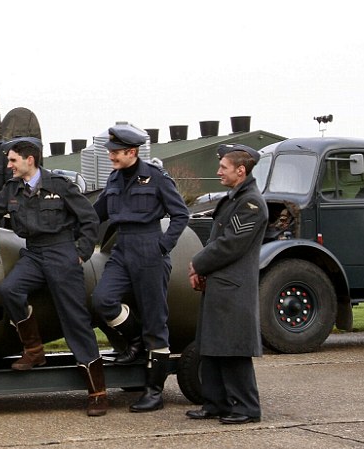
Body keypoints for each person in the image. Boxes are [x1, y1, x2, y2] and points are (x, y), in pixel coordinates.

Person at [0, 138, 106, 416]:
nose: (9, 165)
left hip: (61, 253)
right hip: (33, 253)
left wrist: (80, 253)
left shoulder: (59, 185)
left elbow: (90, 219)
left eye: (13, 160)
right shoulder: (12, 188)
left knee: (74, 319)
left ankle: (97, 392)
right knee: (10, 289)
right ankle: (34, 349)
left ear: (29, 160)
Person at [91, 123, 190, 413]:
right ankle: (134, 341)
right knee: (103, 300)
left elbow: (181, 215)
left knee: (155, 322)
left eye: (116, 152)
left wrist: (162, 246)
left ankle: (154, 392)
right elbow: (95, 214)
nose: (111, 156)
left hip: (150, 248)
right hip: (122, 248)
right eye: (110, 151)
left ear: (132, 152)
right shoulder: (113, 179)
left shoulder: (156, 177)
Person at [186, 144, 268, 424]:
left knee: (233, 348)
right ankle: (216, 403)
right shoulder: (233, 199)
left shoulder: (251, 204)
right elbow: (217, 240)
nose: (218, 171)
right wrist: (203, 270)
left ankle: (246, 407)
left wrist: (198, 262)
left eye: (224, 167)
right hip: (220, 283)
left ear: (241, 170)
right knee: (212, 345)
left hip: (234, 286)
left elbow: (230, 244)